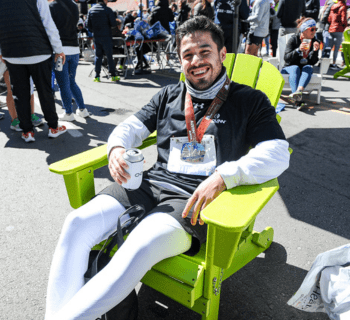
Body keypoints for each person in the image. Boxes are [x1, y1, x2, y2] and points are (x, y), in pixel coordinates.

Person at [45, 16, 290, 320]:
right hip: (148, 185)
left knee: (139, 245)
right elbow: (129, 128)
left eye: (204, 51)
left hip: (193, 201)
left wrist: (225, 177)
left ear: (222, 54)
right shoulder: (169, 95)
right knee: (76, 224)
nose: (196, 61)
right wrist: (117, 149)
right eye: (187, 55)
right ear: (180, 60)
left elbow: (278, 152)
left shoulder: (249, 100)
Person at [0, 0, 67, 143]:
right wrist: (58, 49)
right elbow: (48, 23)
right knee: (45, 91)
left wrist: (2, 50)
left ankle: (27, 131)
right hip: (38, 51)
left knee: (19, 94)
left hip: (12, 53)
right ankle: (53, 127)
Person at [49, 0, 89, 121]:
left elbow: (49, 27)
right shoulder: (73, 5)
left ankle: (68, 113)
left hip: (60, 50)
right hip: (74, 49)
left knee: (63, 84)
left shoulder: (52, 6)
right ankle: (82, 110)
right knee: (71, 81)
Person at [281, 18, 320, 111]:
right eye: (312, 29)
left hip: (303, 68)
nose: (314, 32)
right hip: (289, 68)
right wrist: (298, 50)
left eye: (316, 29)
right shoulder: (293, 39)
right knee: (295, 68)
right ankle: (297, 100)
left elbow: (312, 62)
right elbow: (286, 58)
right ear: (304, 30)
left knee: (308, 67)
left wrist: (315, 51)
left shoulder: (315, 41)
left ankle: (298, 92)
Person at [86, 0, 119, 82]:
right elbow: (114, 24)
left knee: (98, 56)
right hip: (106, 36)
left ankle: (97, 76)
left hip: (96, 36)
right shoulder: (108, 10)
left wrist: (94, 31)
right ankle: (113, 75)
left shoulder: (91, 10)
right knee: (109, 56)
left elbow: (87, 25)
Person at [323, 0, 347, 70]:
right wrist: (344, 26)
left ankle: (325, 64)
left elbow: (329, 19)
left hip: (331, 29)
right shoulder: (343, 7)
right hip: (339, 29)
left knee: (329, 47)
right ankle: (333, 63)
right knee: (336, 48)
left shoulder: (333, 6)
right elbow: (343, 19)